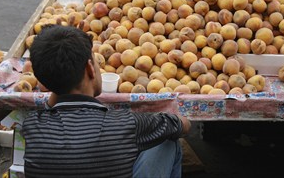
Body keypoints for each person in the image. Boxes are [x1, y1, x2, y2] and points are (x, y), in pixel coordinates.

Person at [22, 24, 191, 178]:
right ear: (90, 69)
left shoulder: (31, 126)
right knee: (167, 140)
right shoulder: (127, 124)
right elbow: (184, 125)